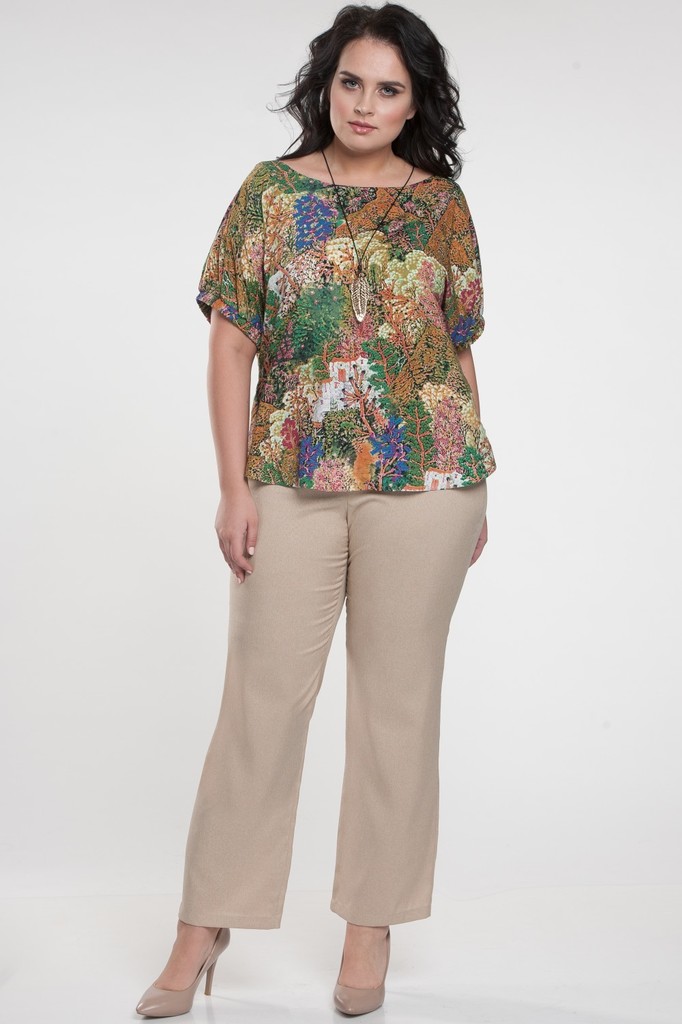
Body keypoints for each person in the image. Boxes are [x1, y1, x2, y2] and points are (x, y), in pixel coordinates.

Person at [135, 1, 496, 1017]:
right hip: (290, 477)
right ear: (324, 84)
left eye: (389, 88)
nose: (365, 103)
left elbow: (455, 345)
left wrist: (475, 472)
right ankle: (204, 923)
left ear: (416, 102)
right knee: (261, 702)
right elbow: (230, 344)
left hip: (429, 483)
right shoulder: (269, 193)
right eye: (350, 82)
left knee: (397, 709)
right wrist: (232, 486)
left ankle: (369, 927)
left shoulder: (441, 206)